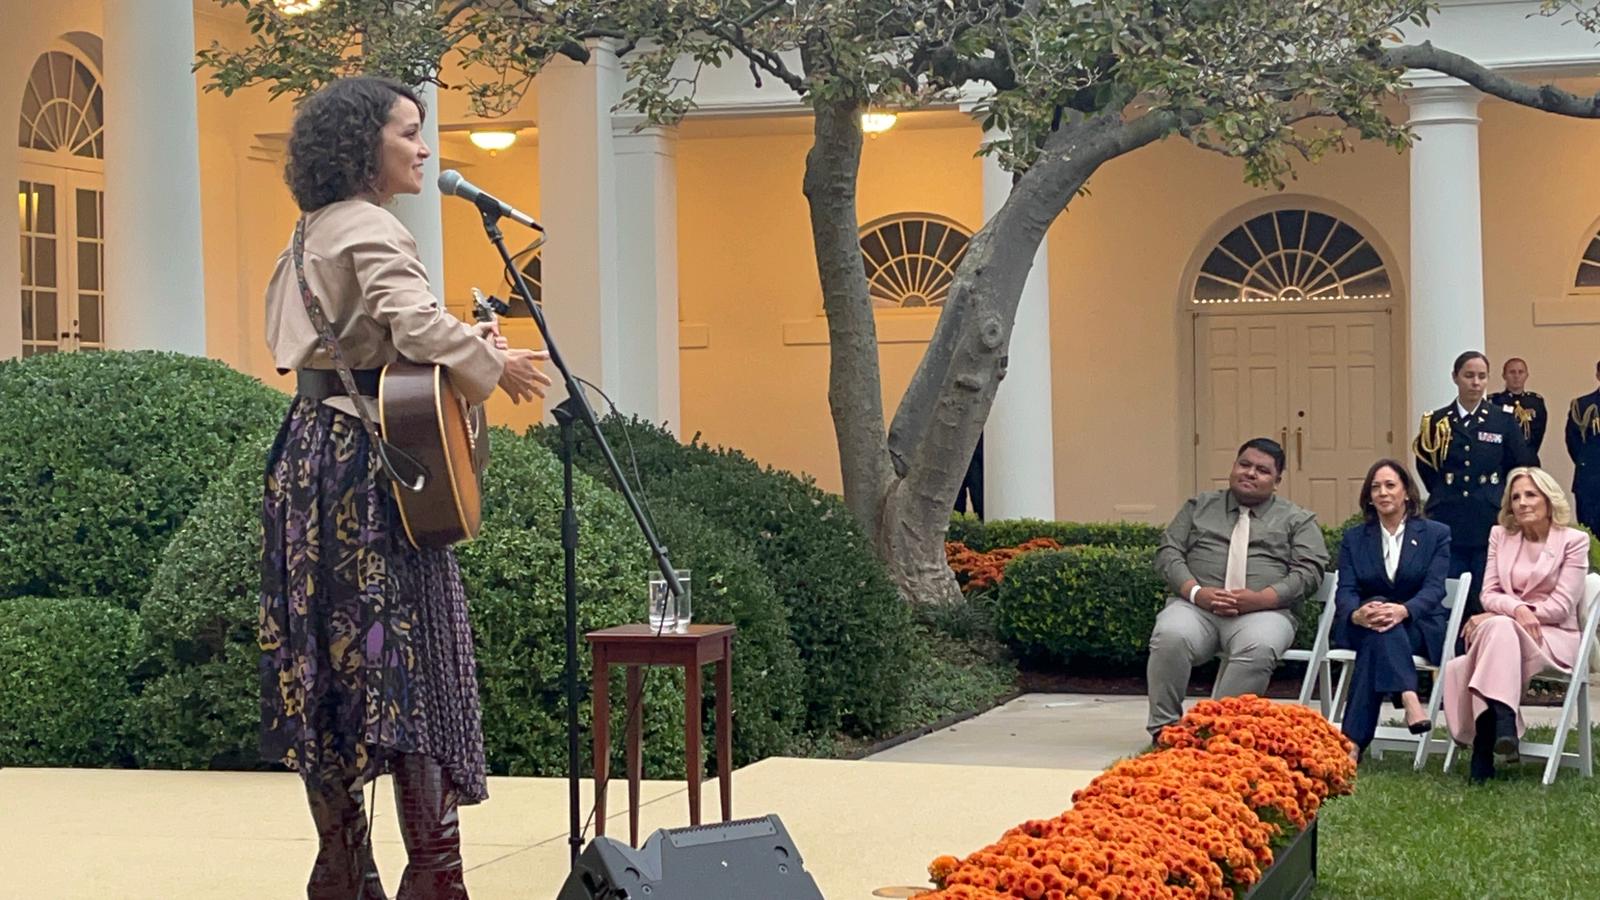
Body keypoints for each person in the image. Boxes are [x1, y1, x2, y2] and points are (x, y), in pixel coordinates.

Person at [260, 76, 551, 899]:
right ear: (365, 146)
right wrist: (491, 361)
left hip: (309, 460)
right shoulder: (375, 228)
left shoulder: (308, 231)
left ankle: (345, 872)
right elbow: (416, 327)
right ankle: (437, 875)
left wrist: (462, 346)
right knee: (408, 661)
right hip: (372, 472)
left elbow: (333, 345)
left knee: (327, 664)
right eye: (409, 132)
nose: (423, 149)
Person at [1148, 438, 1329, 740]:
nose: (1250, 473)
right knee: (1170, 634)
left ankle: (1215, 732)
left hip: (1264, 612)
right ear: (1233, 467)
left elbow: (1309, 571)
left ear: (1276, 481)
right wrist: (1196, 592)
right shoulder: (1198, 507)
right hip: (1197, 608)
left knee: (1259, 645)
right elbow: (1168, 553)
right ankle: (1164, 731)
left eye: (1262, 470)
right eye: (1244, 464)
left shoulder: (1297, 519)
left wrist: (1261, 598)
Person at [1443, 467, 1589, 782]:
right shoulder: (1501, 536)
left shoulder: (1574, 542)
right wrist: (1516, 610)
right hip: (1506, 636)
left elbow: (1562, 606)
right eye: (1516, 497)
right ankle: (1503, 723)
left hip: (1554, 638)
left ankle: (1487, 743)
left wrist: (1509, 613)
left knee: (1497, 628)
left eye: (1531, 495)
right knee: (1501, 630)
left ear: (1549, 500)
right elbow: (1488, 593)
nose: (1522, 503)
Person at [1330, 459, 1451, 762]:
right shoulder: (1355, 538)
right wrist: (1356, 614)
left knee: (1381, 635)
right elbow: (1346, 589)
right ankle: (1409, 697)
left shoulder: (1436, 534)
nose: (1382, 493)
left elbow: (1435, 589)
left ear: (1407, 492)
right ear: (1369, 497)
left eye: (1390, 485)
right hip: (1363, 624)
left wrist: (1402, 611)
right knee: (1379, 629)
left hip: (1417, 624)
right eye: (1375, 487)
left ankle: (1352, 743)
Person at [1414, 351, 1537, 618]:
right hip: (1449, 516)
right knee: (1447, 595)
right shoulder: (1437, 421)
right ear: (1455, 377)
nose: (1476, 382)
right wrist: (1443, 491)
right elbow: (1426, 464)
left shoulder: (1502, 420)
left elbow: (1521, 465)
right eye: (1469, 376)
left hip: (1487, 518)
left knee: (1485, 594)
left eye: (1482, 376)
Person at [1565, 360, 1600, 534]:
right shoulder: (1582, 405)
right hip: (1590, 481)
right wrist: (1587, 463)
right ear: (1598, 375)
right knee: (1590, 534)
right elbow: (1573, 441)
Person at [1488, 357, 1548, 459]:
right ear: (1504, 376)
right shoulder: (1494, 402)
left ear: (1526, 375)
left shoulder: (1536, 402)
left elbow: (1539, 432)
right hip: (1503, 460)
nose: (1516, 376)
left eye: (1521, 372)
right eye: (1512, 372)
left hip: (1529, 457)